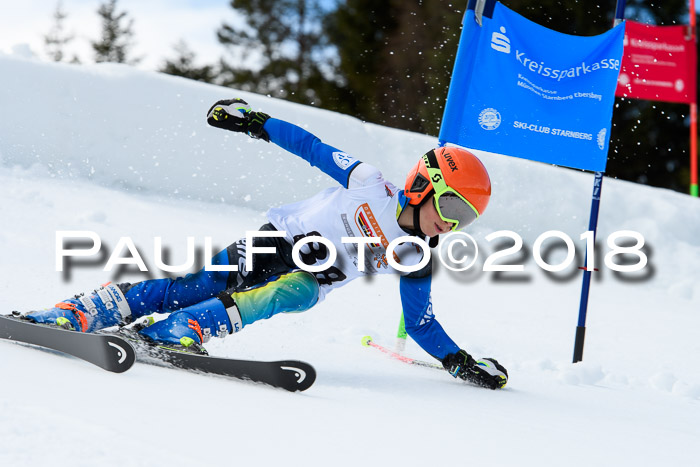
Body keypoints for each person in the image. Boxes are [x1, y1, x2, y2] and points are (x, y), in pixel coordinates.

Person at [24, 98, 508, 389]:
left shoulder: (416, 256)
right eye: (452, 209)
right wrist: (256, 122)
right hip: (280, 241)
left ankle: (180, 331)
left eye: (465, 220)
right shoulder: (368, 183)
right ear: (424, 186)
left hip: (310, 276)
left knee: (294, 292)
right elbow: (311, 146)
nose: (452, 226)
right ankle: (83, 311)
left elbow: (420, 322)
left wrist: (461, 363)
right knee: (200, 282)